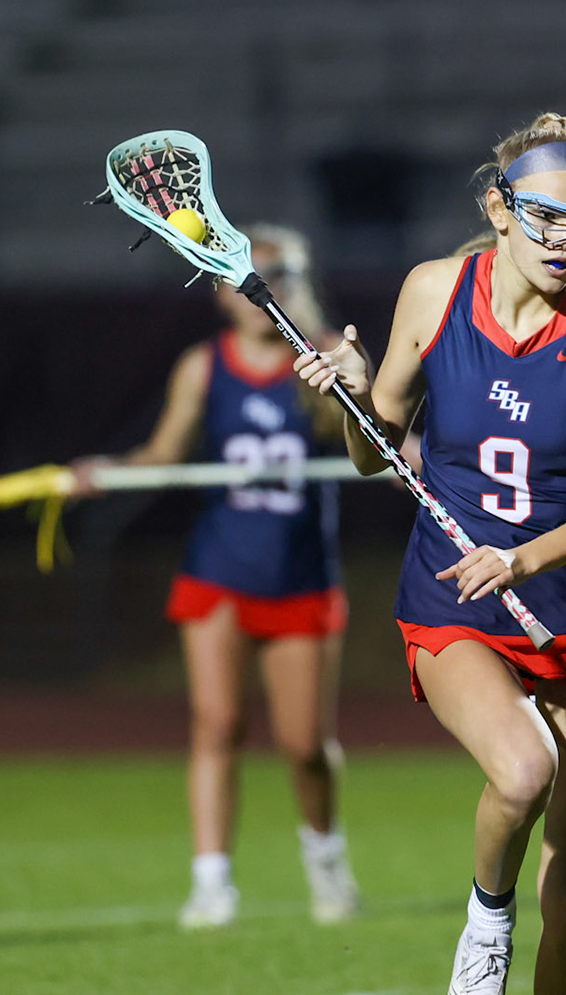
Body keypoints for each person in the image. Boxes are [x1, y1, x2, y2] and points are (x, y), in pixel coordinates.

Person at [296, 113, 566, 995]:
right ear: (499, 209)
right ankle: (485, 919)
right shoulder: (432, 292)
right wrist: (347, 396)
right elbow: (375, 450)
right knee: (522, 769)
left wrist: (527, 558)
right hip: (454, 593)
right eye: (546, 218)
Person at [77, 226, 360, 930]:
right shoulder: (203, 367)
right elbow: (164, 455)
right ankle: (212, 882)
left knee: (305, 745)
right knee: (218, 724)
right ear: (221, 292)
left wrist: (389, 434)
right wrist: (105, 472)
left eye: (277, 276)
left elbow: (370, 438)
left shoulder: (326, 355)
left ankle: (325, 857)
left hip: (300, 574)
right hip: (220, 570)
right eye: (244, 279)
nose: (261, 291)